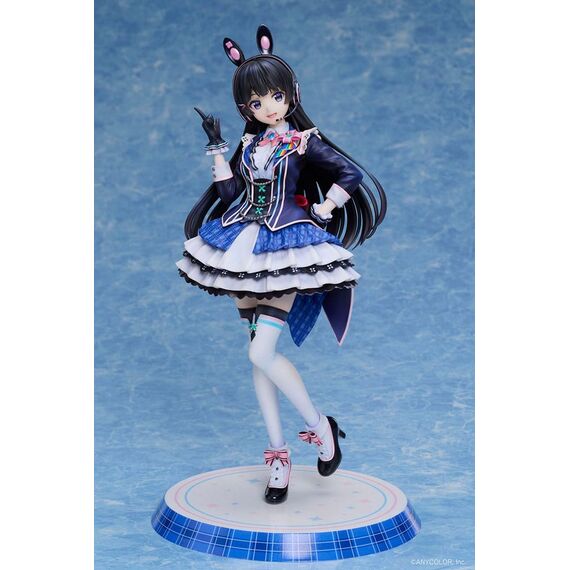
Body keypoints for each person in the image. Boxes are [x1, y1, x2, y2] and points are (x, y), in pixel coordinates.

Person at [177, 25, 386, 504]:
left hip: (285, 246)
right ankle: (278, 454)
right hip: (241, 245)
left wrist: (325, 208)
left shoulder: (303, 141)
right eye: (257, 102)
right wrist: (217, 149)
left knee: (260, 353)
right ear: (245, 108)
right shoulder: (251, 147)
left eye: (276, 96)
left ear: (291, 93)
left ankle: (320, 427)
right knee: (258, 353)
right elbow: (231, 193)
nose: (270, 107)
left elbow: (349, 173)